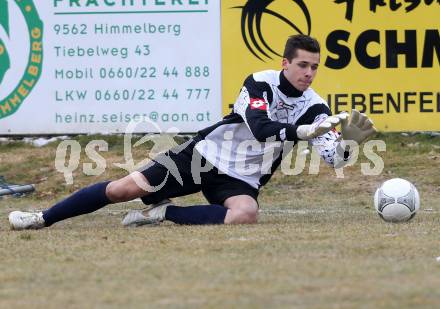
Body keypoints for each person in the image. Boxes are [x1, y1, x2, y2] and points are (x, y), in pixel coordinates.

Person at [8, 34, 376, 230]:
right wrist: (305, 131)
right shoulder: (259, 83)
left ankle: (161, 216)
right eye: (302, 65)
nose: (309, 73)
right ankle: (43, 217)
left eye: (314, 67)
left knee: (246, 215)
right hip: (204, 156)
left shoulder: (316, 105)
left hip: (242, 177)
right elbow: (261, 128)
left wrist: (346, 148)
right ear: (285, 63)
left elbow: (331, 156)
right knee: (124, 189)